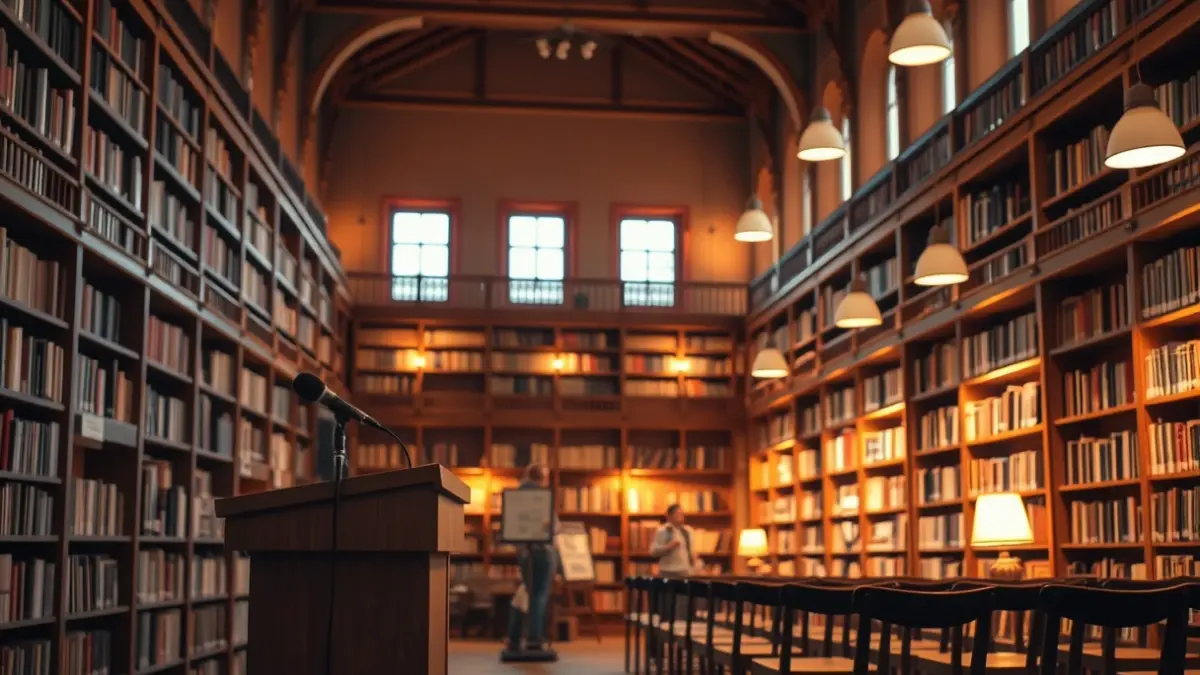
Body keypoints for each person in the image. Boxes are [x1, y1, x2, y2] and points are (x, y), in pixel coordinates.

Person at [505, 464, 556, 653]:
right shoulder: (542, 497)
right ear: (542, 477)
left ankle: (514, 637)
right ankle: (534, 639)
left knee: (526, 592)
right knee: (539, 596)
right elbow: (553, 526)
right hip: (542, 551)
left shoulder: (516, 496)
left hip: (524, 553)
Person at [649, 504, 701, 619]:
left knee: (684, 606)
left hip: (686, 572)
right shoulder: (663, 531)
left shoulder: (688, 531)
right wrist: (669, 547)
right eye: (677, 514)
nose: (680, 516)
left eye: (682, 514)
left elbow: (692, 550)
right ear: (669, 516)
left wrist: (695, 561)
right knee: (668, 606)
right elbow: (653, 551)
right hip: (668, 572)